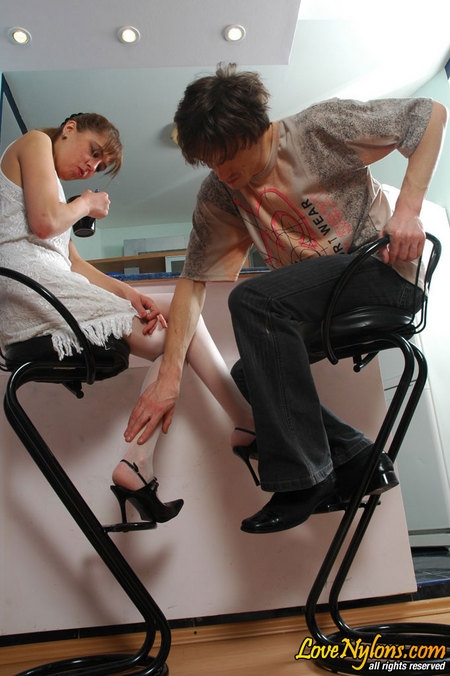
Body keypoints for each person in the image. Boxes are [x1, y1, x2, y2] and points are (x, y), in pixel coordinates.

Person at [124, 64, 447, 535]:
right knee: (247, 378)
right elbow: (192, 283)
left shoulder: (317, 130)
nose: (223, 173)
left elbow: (429, 114)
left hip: (384, 272)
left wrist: (408, 211)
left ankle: (304, 478)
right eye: (211, 164)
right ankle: (359, 458)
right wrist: (169, 376)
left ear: (257, 128)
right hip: (328, 302)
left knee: (254, 300)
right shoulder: (222, 193)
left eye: (227, 157)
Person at [0, 111, 256, 527]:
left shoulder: (53, 191)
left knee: (178, 316)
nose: (91, 167)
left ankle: (144, 461)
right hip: (32, 296)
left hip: (51, 288)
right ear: (69, 128)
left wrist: (130, 293)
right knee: (174, 335)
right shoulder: (35, 143)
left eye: (99, 165)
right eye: (92, 152)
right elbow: (45, 224)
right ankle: (240, 424)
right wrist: (86, 203)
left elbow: (74, 264)